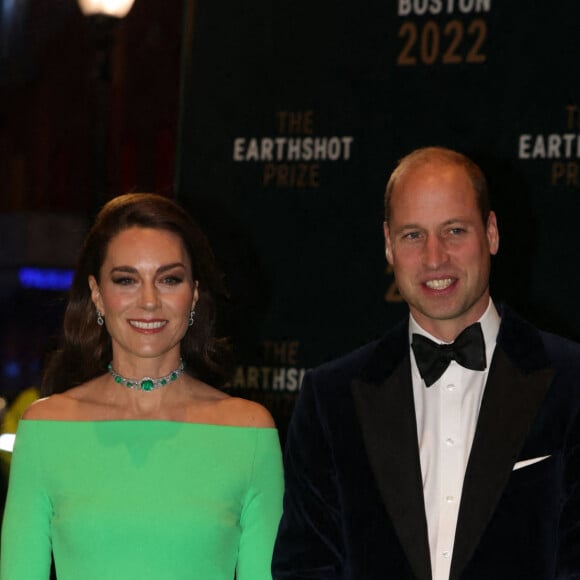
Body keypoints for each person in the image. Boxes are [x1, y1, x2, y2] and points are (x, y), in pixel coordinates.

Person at [272, 147, 580, 579]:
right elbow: (306, 567)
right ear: (388, 245)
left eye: (454, 230)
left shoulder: (570, 382)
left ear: (491, 233)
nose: (435, 258)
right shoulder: (330, 398)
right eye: (413, 235)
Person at [1, 193, 284, 580]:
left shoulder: (249, 433)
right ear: (97, 294)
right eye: (126, 280)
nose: (149, 301)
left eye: (169, 279)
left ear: (194, 293)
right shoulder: (45, 428)